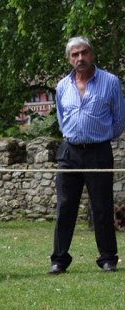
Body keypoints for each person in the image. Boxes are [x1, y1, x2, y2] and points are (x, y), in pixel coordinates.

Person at [48, 36, 125, 275]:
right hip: (69, 151)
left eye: (83, 53)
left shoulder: (110, 82)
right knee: (65, 206)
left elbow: (119, 118)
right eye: (74, 55)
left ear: (91, 54)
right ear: (69, 59)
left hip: (99, 151)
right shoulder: (62, 86)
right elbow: (62, 118)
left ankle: (108, 259)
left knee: (102, 206)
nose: (80, 58)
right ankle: (59, 260)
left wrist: (100, 139)